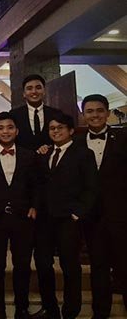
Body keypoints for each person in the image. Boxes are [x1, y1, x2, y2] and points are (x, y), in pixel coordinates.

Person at [33, 112, 98, 319]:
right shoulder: (44, 153)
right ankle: (50, 309)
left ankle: (70, 311)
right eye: (52, 128)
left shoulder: (83, 154)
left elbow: (91, 187)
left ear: (70, 130)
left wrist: (78, 213)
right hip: (44, 220)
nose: (55, 131)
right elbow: (38, 185)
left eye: (60, 127)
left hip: (68, 219)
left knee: (70, 266)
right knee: (43, 264)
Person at [75, 94, 127, 319]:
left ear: (107, 113)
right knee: (98, 268)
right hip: (91, 218)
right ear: (83, 115)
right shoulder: (76, 143)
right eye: (89, 111)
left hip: (120, 215)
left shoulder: (123, 138)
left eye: (99, 110)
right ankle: (100, 313)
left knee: (125, 266)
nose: (94, 115)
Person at [0, 112, 39, 319]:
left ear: (16, 131)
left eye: (9, 127)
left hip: (22, 217)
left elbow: (37, 185)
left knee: (22, 265)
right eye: (0, 128)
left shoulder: (29, 155)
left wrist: (34, 206)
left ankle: (21, 308)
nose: (5, 131)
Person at [10, 74, 61, 152]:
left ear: (44, 91)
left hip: (50, 157)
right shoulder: (14, 115)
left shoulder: (56, 113)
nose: (34, 91)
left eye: (38, 88)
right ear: (24, 93)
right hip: (23, 158)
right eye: (29, 88)